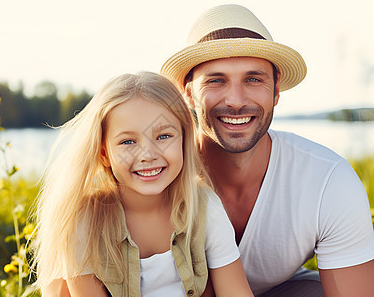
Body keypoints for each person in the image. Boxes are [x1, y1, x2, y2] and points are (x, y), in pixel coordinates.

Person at [160, 4, 374, 297]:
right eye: (216, 80)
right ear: (189, 95)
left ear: (275, 92)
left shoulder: (328, 180)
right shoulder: (152, 174)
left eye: (253, 79)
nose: (235, 101)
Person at [31, 71, 253, 296]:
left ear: (185, 140)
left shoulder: (204, 207)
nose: (148, 155)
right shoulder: (84, 221)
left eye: (164, 136)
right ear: (104, 154)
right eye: (128, 141)